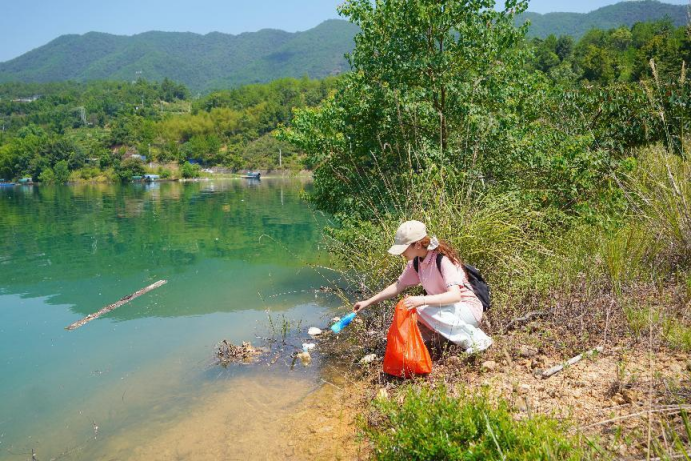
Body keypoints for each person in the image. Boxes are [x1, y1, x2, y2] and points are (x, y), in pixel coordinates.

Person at [353, 220, 493, 354]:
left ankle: (476, 340)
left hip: (467, 309)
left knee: (418, 308)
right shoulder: (417, 263)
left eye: (404, 248)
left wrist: (422, 300)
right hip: (446, 312)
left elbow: (455, 296)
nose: (402, 253)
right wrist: (368, 302)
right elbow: (397, 286)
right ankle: (448, 341)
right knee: (412, 334)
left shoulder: (442, 260)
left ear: (418, 245)